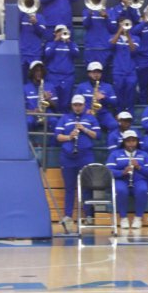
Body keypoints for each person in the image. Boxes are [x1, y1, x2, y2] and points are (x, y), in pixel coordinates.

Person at [55, 94, 100, 226]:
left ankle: (89, 215)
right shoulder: (65, 118)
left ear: (84, 105)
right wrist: (69, 137)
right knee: (69, 187)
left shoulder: (90, 118)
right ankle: (68, 216)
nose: (77, 107)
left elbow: (97, 135)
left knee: (87, 186)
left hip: (85, 156)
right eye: (75, 105)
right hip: (68, 157)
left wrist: (84, 129)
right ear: (72, 106)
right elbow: (58, 136)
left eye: (80, 105)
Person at [106, 130, 148, 230]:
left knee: (142, 189)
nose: (131, 143)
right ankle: (123, 218)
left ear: (137, 142)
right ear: (123, 142)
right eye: (128, 141)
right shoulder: (115, 154)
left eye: (133, 141)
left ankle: (138, 218)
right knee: (121, 190)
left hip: (139, 180)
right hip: (121, 179)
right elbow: (108, 171)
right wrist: (122, 172)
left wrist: (139, 167)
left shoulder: (144, 154)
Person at [75, 61, 119, 133]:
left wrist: (104, 97)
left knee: (114, 125)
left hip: (103, 114)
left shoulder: (108, 86)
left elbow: (114, 102)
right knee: (83, 126)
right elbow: (75, 102)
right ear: (89, 73)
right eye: (94, 72)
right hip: (87, 114)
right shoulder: (81, 86)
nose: (96, 74)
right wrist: (85, 110)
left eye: (98, 72)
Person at [44, 25, 79, 113]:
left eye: (63, 31)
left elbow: (76, 54)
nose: (61, 33)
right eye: (59, 31)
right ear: (55, 33)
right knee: (53, 99)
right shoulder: (50, 44)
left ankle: (64, 118)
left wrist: (69, 42)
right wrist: (56, 41)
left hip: (67, 76)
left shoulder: (72, 44)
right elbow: (47, 54)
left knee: (65, 102)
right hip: (53, 76)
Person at [109, 19, 139, 113]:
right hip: (118, 71)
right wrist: (119, 31)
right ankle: (119, 114)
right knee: (118, 94)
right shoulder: (113, 36)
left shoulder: (135, 38)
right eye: (122, 24)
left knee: (130, 94)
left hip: (131, 71)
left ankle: (130, 114)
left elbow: (133, 51)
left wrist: (128, 35)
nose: (125, 26)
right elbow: (111, 46)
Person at [82, 0, 117, 76]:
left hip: (104, 48)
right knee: (90, 74)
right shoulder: (86, 11)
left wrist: (106, 17)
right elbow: (86, 25)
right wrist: (90, 14)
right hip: (90, 48)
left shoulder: (110, 11)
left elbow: (113, 30)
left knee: (103, 74)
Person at [24, 61, 58, 134]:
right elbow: (21, 109)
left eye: (41, 71)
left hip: (46, 113)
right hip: (32, 114)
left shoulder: (50, 86)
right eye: (36, 71)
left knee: (54, 121)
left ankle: (52, 142)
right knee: (28, 122)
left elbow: (56, 106)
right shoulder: (25, 88)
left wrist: (48, 99)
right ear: (32, 73)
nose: (39, 73)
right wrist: (32, 112)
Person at [18, 7, 49, 78]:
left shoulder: (40, 17)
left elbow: (42, 32)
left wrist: (35, 23)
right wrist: (23, 12)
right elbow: (15, 27)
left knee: (35, 77)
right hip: (22, 52)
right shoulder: (21, 16)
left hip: (35, 53)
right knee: (20, 77)